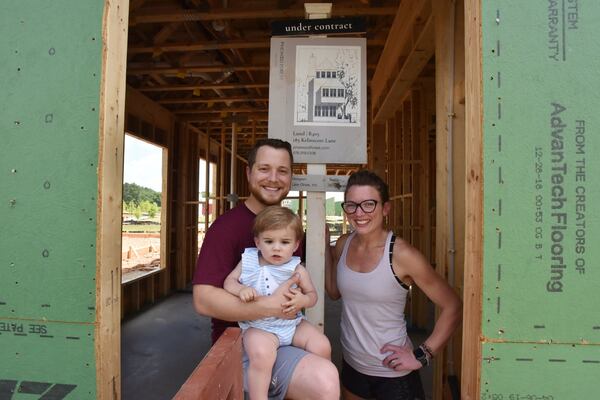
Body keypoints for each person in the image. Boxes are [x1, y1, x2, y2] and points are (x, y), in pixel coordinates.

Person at [193, 138, 339, 400]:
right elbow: (203, 300)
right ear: (248, 173)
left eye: (282, 171)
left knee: (323, 355)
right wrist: (271, 305)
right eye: (264, 169)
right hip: (244, 341)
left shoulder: (290, 229)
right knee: (324, 382)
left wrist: (323, 243)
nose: (273, 178)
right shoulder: (226, 228)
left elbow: (311, 280)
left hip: (286, 331)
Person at [325, 169, 462, 400]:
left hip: (393, 375)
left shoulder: (402, 254)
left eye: (369, 204)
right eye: (351, 205)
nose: (359, 213)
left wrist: (422, 354)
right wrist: (323, 247)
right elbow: (335, 292)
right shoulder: (343, 243)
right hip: (352, 366)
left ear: (385, 209)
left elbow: (453, 306)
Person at [224, 206, 331, 400]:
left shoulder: (296, 268)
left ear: (296, 245)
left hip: (292, 324)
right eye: (269, 241)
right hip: (259, 327)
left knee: (322, 345)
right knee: (262, 355)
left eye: (284, 242)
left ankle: (316, 386)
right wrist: (241, 290)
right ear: (257, 242)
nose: (276, 247)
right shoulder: (248, 261)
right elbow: (229, 282)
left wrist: (302, 300)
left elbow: (313, 295)